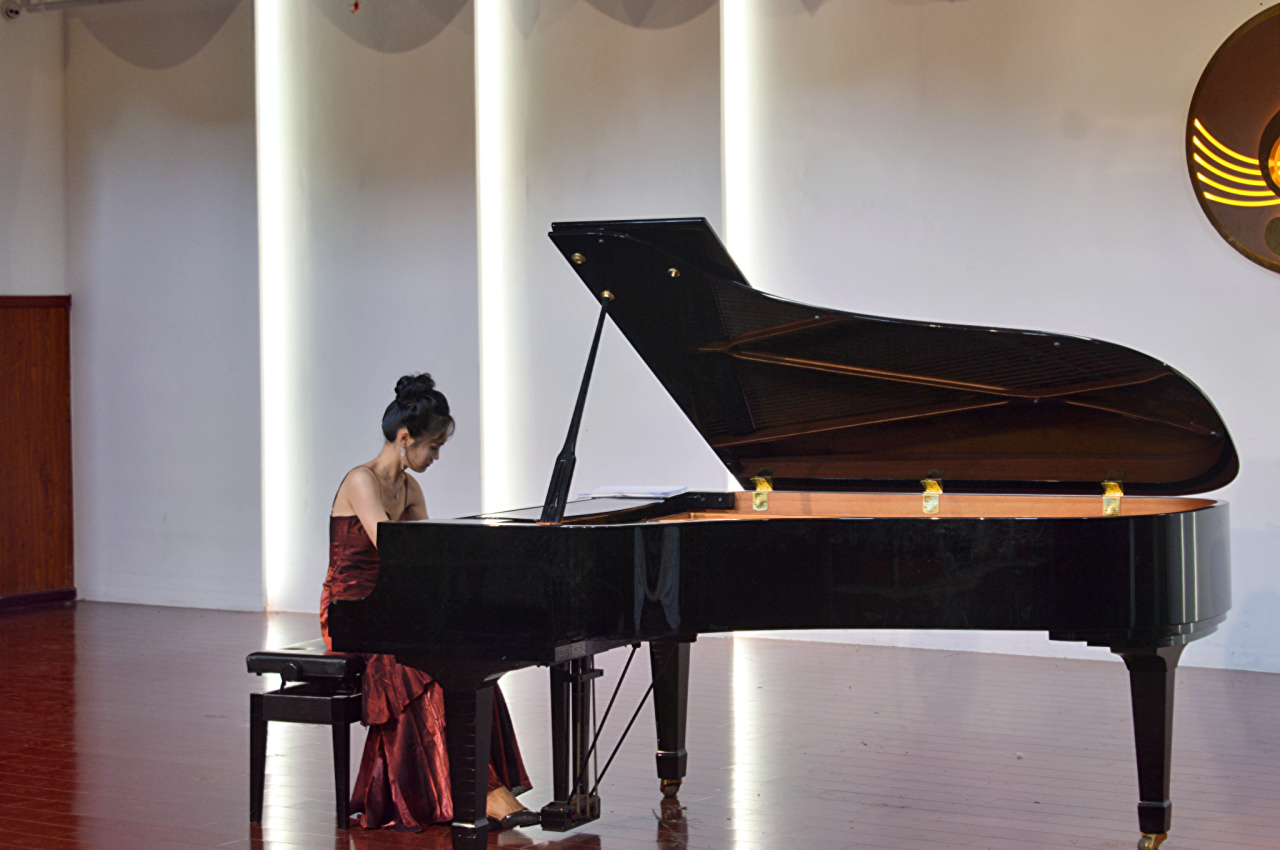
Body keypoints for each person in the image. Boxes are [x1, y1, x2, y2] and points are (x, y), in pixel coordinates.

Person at [319, 373, 537, 831]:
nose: (436, 457)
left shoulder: (410, 489)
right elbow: (396, 552)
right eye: (432, 447)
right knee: (419, 663)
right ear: (405, 439)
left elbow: (429, 560)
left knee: (468, 660)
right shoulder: (361, 481)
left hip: (391, 605)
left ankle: (478, 783)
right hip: (351, 610)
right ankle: (472, 791)